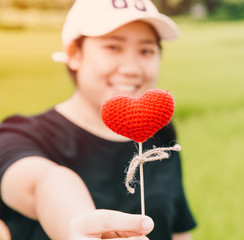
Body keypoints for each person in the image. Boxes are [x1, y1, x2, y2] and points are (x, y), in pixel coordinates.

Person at [0, 0, 197, 239]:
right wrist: (78, 225)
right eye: (113, 47)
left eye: (146, 50)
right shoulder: (19, 135)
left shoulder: (160, 136)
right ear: (74, 55)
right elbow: (45, 183)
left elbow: (178, 230)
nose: (131, 68)